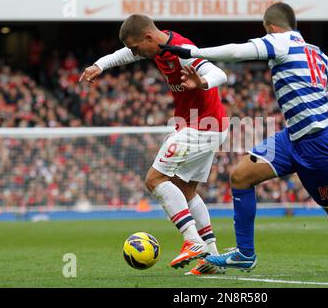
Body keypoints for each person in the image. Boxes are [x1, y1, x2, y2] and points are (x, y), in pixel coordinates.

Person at [160, 2, 328, 275]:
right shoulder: (315, 52)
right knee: (240, 176)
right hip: (292, 138)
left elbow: (238, 51)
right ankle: (245, 254)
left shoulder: (280, 41)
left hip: (319, 143)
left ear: (271, 28)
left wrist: (193, 52)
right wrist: (320, 100)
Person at [80, 14, 229, 275]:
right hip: (207, 125)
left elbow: (219, 73)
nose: (135, 53)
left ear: (148, 37)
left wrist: (201, 81)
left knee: (154, 179)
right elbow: (124, 55)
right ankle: (212, 257)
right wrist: (99, 65)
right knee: (186, 190)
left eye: (137, 47)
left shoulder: (180, 49)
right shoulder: (155, 47)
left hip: (201, 125)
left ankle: (193, 241)